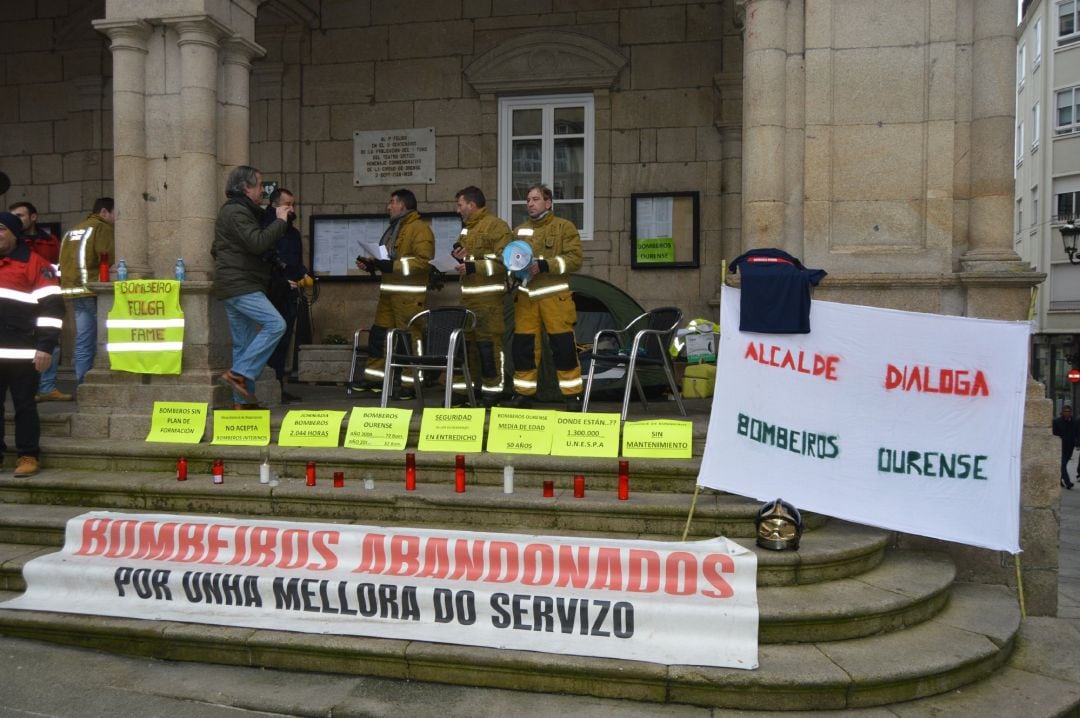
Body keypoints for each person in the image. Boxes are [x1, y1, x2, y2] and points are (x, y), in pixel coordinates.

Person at [212, 166, 289, 408]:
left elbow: (217, 248)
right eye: (259, 185)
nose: (262, 191)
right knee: (276, 324)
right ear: (246, 187)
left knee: (243, 345)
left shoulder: (240, 212)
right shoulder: (236, 212)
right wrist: (280, 221)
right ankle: (238, 374)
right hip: (240, 284)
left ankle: (242, 404)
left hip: (235, 283)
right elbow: (256, 243)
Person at [506, 183, 584, 411]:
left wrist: (544, 265)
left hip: (555, 298)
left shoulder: (564, 227)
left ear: (548, 203)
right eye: (528, 200)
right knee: (524, 348)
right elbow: (512, 259)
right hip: (525, 299)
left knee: (563, 347)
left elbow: (574, 260)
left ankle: (572, 396)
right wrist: (511, 273)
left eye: (536, 199)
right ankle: (523, 394)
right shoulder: (519, 231)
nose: (530, 203)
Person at [0, 211, 63, 477]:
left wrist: (46, 346)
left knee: (25, 405)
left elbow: (53, 308)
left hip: (25, 352)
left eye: (1, 229)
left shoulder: (37, 264)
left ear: (15, 233)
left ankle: (28, 455)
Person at [356, 189, 433, 396]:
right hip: (389, 295)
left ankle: (411, 385)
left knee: (410, 339)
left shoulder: (419, 229)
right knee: (379, 336)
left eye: (392, 202)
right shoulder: (394, 229)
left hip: (409, 298)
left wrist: (392, 266)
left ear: (403, 205)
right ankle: (375, 379)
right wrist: (372, 265)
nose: (388, 206)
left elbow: (423, 262)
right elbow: (388, 259)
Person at [452, 186, 512, 405]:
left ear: (471, 204)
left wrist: (472, 267)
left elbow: (504, 264)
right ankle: (465, 392)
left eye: (460, 205)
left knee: (489, 347)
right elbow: (471, 258)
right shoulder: (467, 229)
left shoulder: (497, 227)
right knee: (467, 348)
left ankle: (492, 393)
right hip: (467, 300)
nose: (457, 210)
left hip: (489, 302)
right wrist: (460, 258)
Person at [10, 202, 69, 402]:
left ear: (33, 217)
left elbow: (59, 266)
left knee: (52, 341)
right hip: (20, 302)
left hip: (45, 296)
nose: (17, 220)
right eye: (13, 216)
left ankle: (47, 386)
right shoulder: (14, 242)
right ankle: (32, 387)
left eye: (20, 215)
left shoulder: (51, 242)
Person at [261, 188, 311, 404]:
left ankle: (279, 384)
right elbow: (266, 260)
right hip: (272, 292)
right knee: (272, 339)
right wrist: (282, 281)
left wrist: (304, 274)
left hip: (290, 293)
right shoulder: (267, 227)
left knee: (284, 342)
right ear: (274, 205)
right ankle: (268, 384)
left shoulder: (293, 233)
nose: (291, 209)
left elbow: (295, 260)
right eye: (287, 205)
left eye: (293, 205)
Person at [58, 197, 115, 386]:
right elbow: (107, 256)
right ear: (105, 212)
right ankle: (101, 380)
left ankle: (81, 383)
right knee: (105, 337)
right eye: (116, 214)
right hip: (93, 290)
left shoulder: (73, 230)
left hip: (73, 290)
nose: (117, 219)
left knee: (83, 338)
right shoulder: (102, 227)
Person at [1053, 403, 1078, 490]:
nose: (1067, 413)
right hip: (1060, 446)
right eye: (1065, 411)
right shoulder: (1057, 421)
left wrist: (1077, 444)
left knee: (1063, 464)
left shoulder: (1075, 421)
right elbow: (1054, 433)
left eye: (1069, 411)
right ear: (1062, 412)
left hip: (1069, 447)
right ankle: (1068, 482)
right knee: (1062, 465)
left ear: (1071, 412)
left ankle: (1058, 479)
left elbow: (1077, 433)